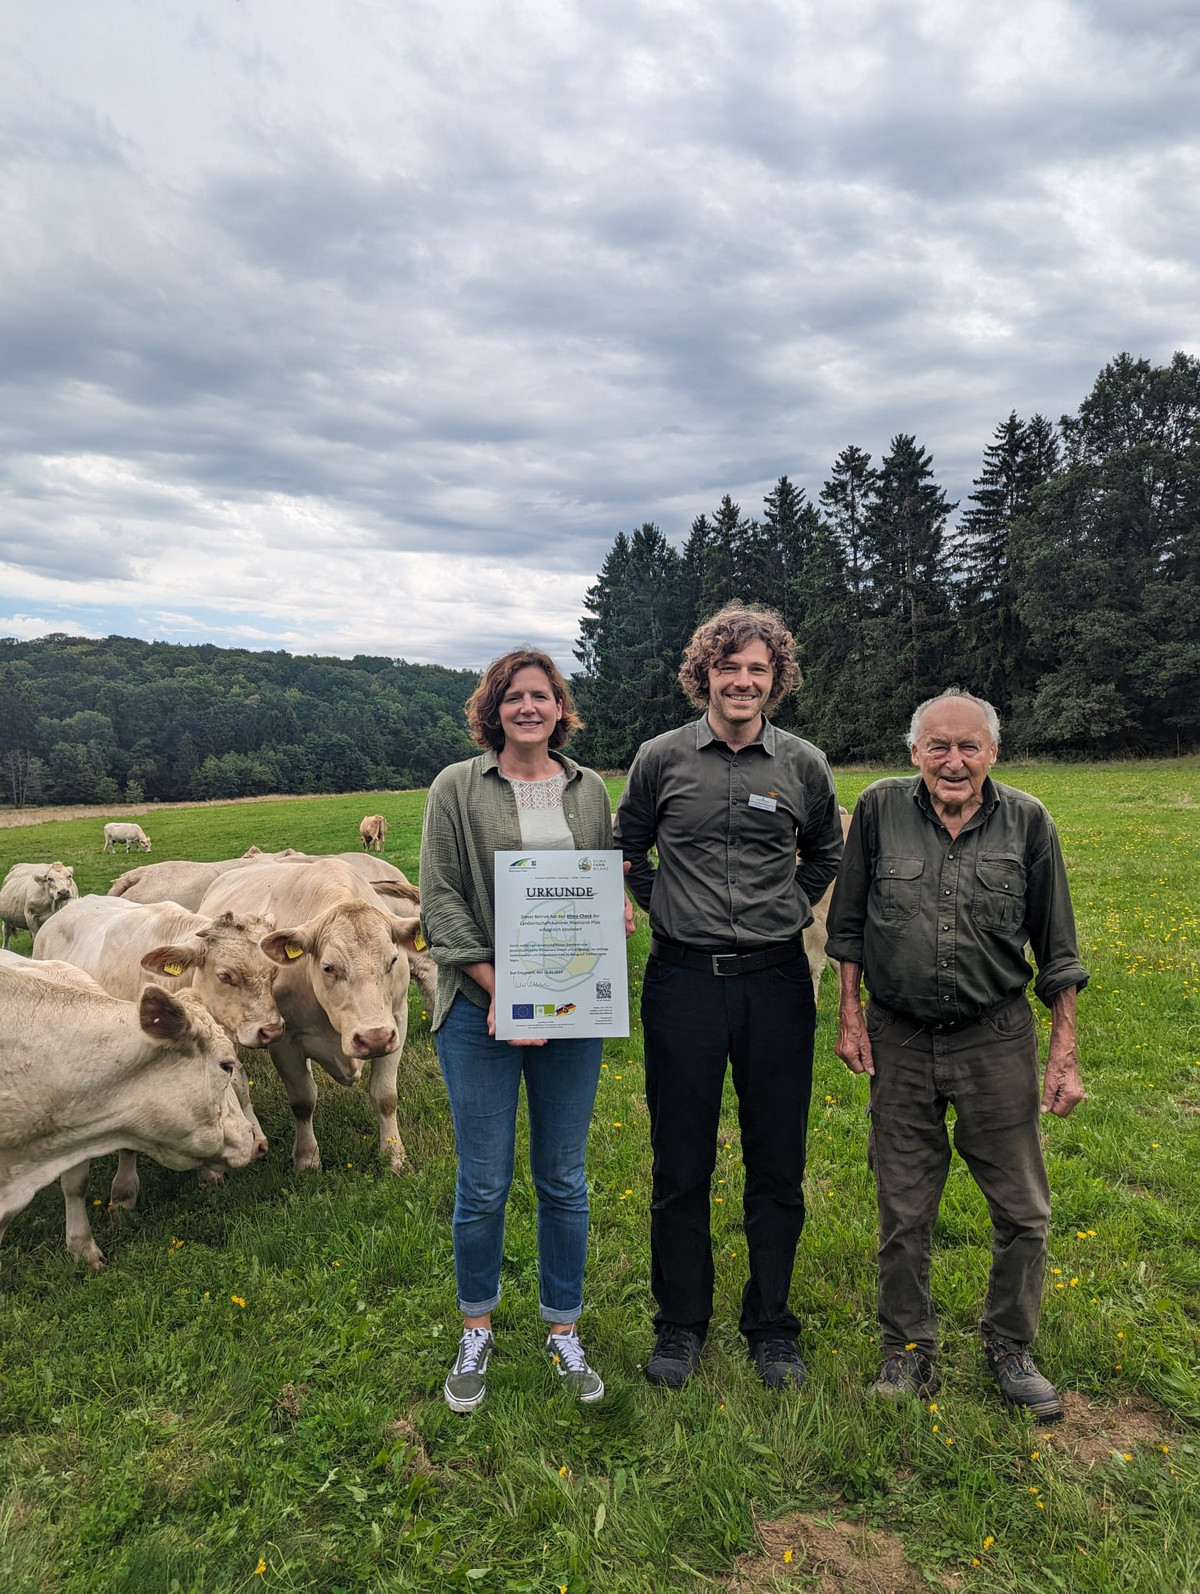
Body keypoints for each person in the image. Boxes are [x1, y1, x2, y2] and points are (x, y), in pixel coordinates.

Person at [826, 689, 1087, 1420]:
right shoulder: (878, 810)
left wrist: (1063, 1050)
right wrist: (849, 1016)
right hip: (899, 1038)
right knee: (904, 1210)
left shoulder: (1029, 821)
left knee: (1025, 1212)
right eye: (937, 746)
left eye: (968, 746)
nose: (953, 760)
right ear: (914, 752)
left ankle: (1009, 1345)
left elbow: (1058, 950)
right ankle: (907, 1350)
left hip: (995, 1038)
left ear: (992, 753)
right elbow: (847, 928)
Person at [614, 602, 843, 1390]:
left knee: (777, 1162)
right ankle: (680, 1324)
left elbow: (825, 853)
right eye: (729, 668)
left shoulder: (803, 765)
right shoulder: (660, 758)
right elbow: (627, 845)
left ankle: (772, 1325)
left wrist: (785, 905)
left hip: (777, 983)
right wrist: (660, 902)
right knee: (680, 1163)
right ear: (703, 674)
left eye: (758, 669)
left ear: (775, 678)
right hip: (682, 982)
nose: (743, 682)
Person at [419, 647, 622, 1413]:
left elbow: (596, 881)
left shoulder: (588, 789)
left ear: (560, 708)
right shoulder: (457, 788)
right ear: (492, 709)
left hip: (573, 1014)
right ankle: (476, 1326)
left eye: (541, 696)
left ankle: (562, 1328)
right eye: (513, 697)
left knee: (564, 1178)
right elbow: (438, 900)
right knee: (483, 1181)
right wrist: (500, 991)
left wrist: (616, 910)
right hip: (480, 1016)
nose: (528, 708)